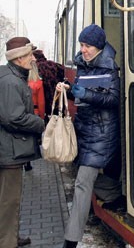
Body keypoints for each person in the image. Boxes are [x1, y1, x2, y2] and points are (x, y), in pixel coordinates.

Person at [59, 24, 120, 248]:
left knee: (82, 185)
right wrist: (68, 89)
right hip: (85, 130)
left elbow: (114, 100)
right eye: (82, 45)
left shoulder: (110, 68)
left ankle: (71, 241)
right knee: (86, 177)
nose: (83, 49)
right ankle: (115, 194)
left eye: (87, 46)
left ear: (99, 47)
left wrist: (86, 94)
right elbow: (82, 95)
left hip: (102, 134)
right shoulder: (83, 66)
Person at [0, 37, 46, 248]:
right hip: (9, 152)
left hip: (9, 148)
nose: (33, 58)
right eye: (29, 55)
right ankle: (7, 242)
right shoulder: (11, 82)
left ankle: (10, 236)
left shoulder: (11, 76)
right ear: (18, 58)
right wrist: (38, 123)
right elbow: (13, 118)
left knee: (9, 200)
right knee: (9, 201)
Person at [32, 49, 65, 119]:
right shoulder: (54, 65)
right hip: (57, 96)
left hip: (45, 99)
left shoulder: (36, 68)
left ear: (34, 58)